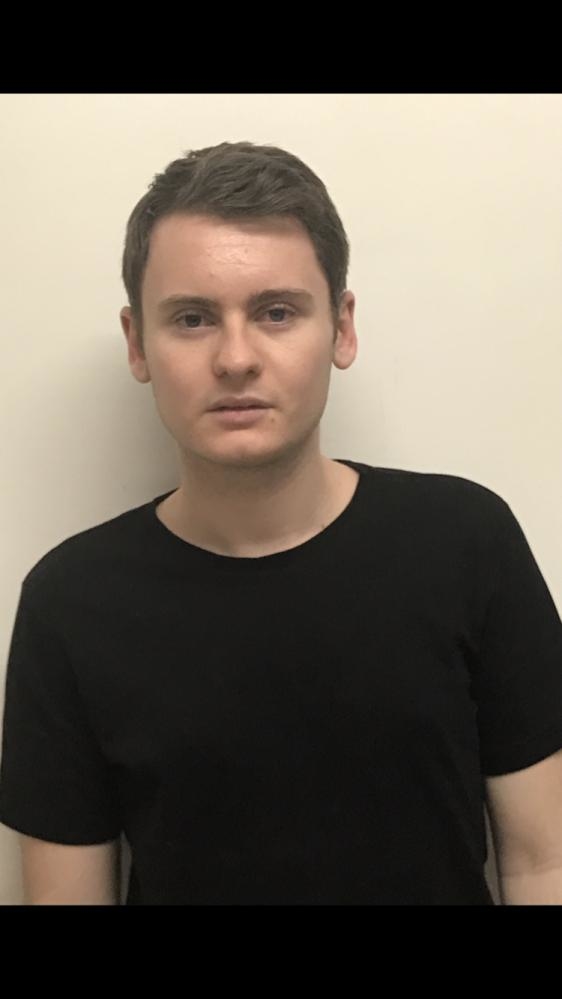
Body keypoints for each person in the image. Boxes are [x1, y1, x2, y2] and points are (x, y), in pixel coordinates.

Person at [1, 140, 562, 906]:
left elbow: (543, 861)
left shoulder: (469, 542)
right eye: (193, 318)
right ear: (138, 343)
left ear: (342, 328)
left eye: (276, 312)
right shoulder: (70, 603)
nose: (236, 358)